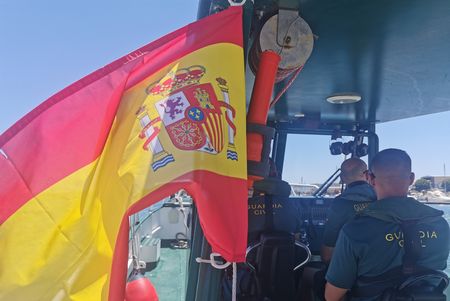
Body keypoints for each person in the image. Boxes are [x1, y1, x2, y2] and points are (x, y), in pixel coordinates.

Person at [325, 148, 450, 301]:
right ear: (411, 179)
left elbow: (332, 296)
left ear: (369, 178)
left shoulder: (355, 230)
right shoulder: (441, 224)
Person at [321, 157, 377, 263]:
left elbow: (327, 256)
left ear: (342, 178)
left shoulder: (339, 204)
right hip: (381, 268)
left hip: (350, 271)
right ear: (367, 175)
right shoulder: (381, 199)